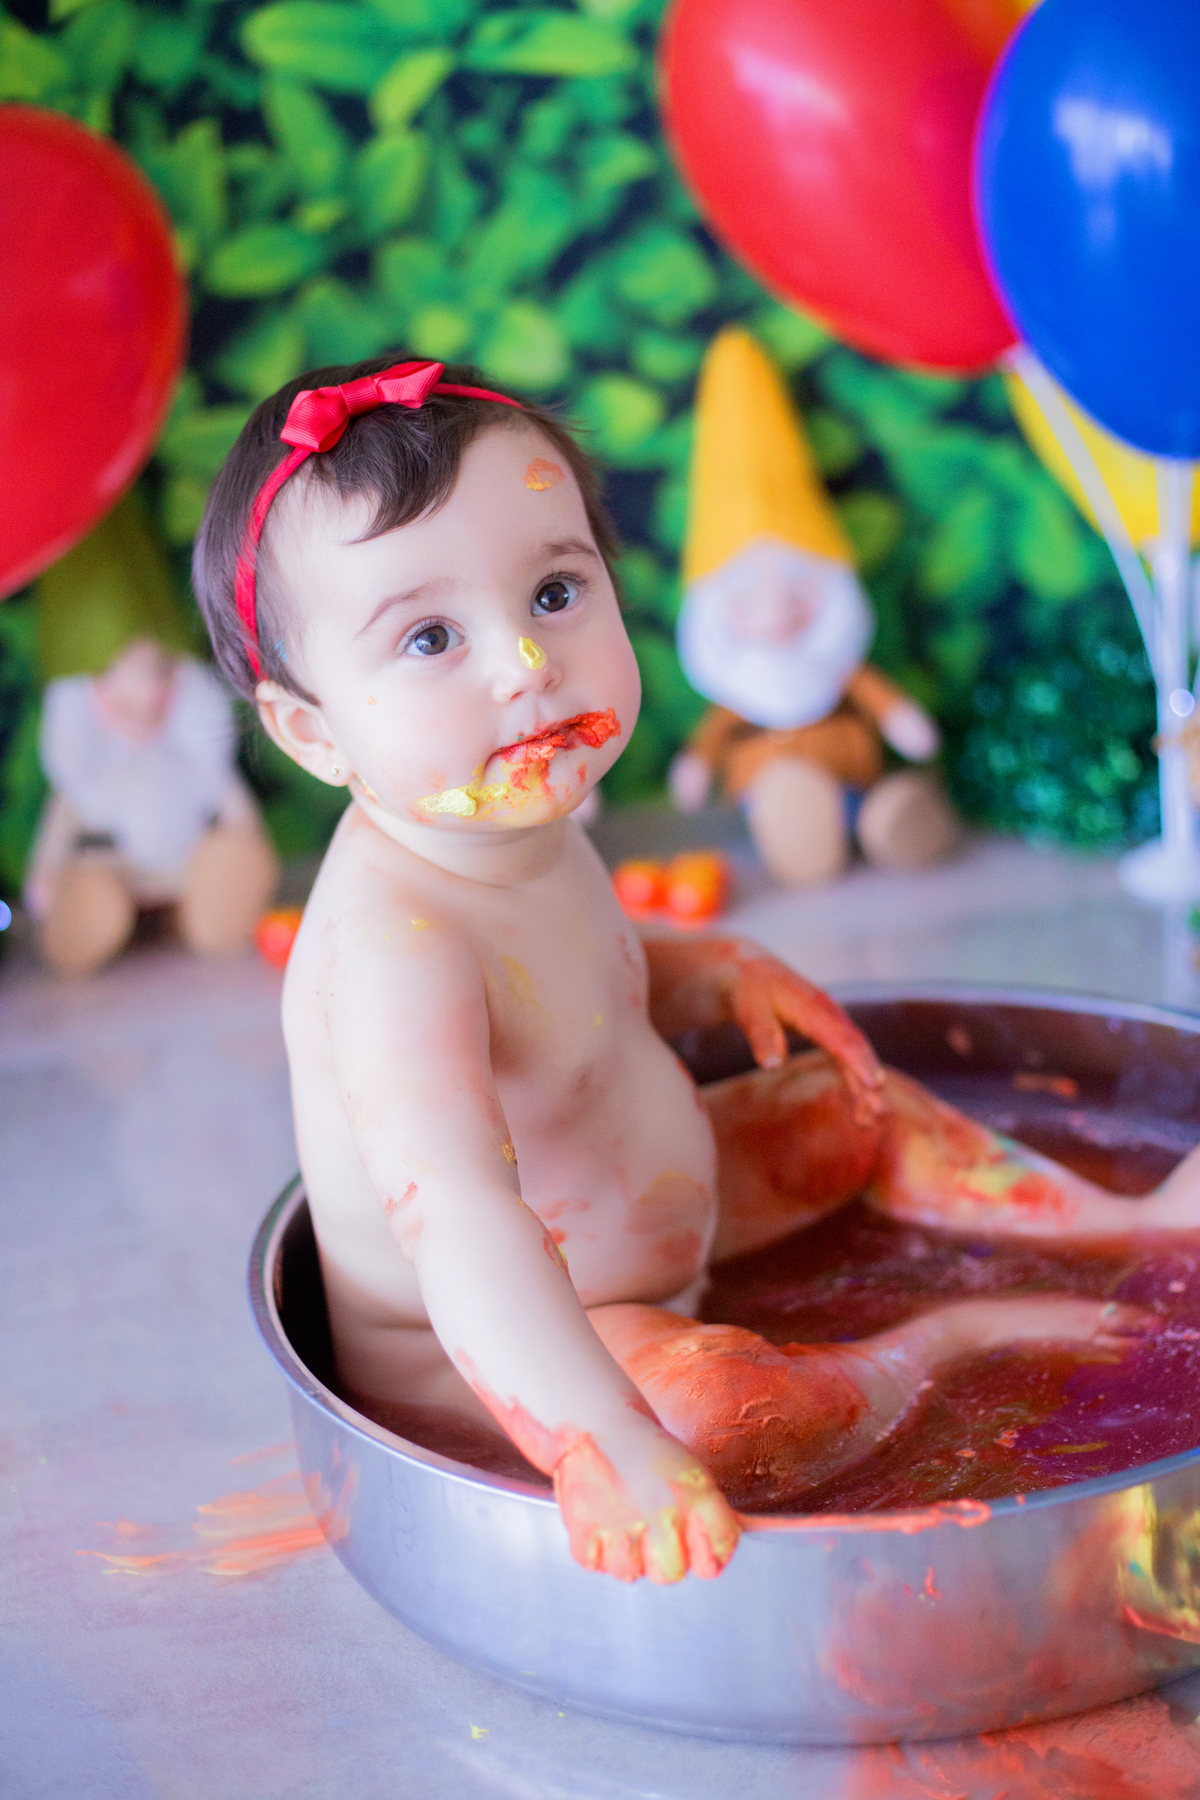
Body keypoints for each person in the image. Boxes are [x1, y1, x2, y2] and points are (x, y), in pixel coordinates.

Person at [192, 355, 1177, 1585]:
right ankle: (942, 1343)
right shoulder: (394, 953)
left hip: (671, 1217)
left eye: (555, 591)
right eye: (431, 637)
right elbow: (459, 1219)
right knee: (720, 1420)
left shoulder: (508, 827)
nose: (524, 662)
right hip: (526, 1352)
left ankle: (1124, 1223)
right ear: (312, 731)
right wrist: (597, 1433)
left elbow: (560, 981)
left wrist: (701, 967)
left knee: (851, 1104)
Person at [670, 328, 959, 886]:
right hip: (771, 783)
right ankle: (796, 826)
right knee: (782, 791)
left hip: (852, 774)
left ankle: (890, 820)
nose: (776, 615)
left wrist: (904, 723)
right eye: (748, 601)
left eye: (798, 595)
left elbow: (880, 700)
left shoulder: (834, 665)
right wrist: (696, 764)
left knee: (874, 804)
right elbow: (712, 736)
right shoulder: (740, 689)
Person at [26, 637, 278, 976]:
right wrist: (46, 874)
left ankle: (214, 913)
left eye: (161, 675)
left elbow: (240, 819)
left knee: (232, 852)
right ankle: (84, 917)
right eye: (127, 699)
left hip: (188, 873)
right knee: (91, 887)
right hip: (117, 872)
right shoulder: (84, 777)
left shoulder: (200, 762)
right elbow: (60, 825)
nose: (147, 694)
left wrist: (247, 841)